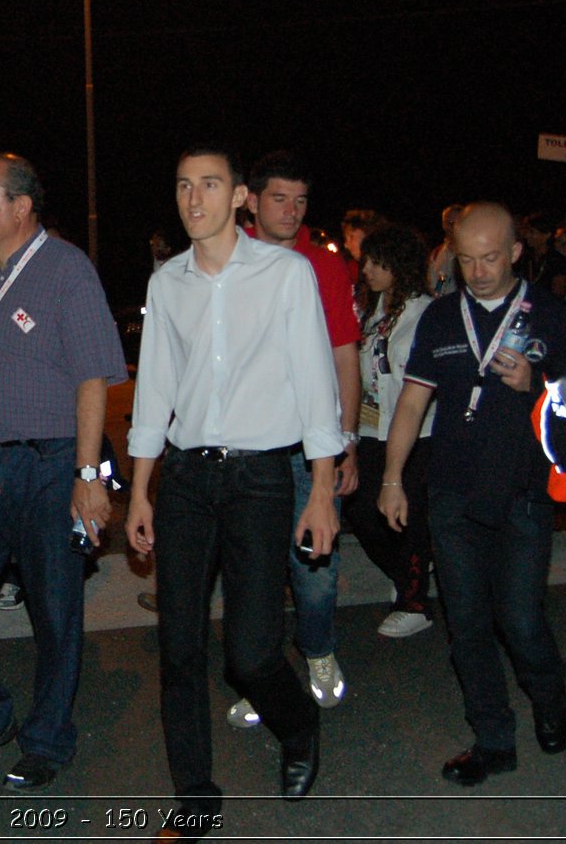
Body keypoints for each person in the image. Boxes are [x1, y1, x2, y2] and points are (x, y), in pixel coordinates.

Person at [127, 145, 342, 833]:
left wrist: (321, 492)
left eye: (210, 185)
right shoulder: (168, 284)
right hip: (186, 478)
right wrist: (138, 491)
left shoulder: (286, 274)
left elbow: (316, 386)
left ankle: (299, 725)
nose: (195, 198)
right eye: (184, 185)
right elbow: (154, 390)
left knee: (251, 653)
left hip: (261, 479)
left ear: (240, 197)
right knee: (180, 648)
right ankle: (195, 794)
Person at [0, 153, 128, 792]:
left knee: (54, 608)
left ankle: (47, 738)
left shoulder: (68, 270)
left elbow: (92, 378)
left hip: (48, 463)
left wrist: (88, 473)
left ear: (21, 207)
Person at [381, 202, 566, 785]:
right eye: (467, 259)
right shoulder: (442, 318)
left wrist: (538, 381)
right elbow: (411, 404)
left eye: (491, 257)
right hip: (450, 490)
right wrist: (393, 480)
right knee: (466, 623)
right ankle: (493, 738)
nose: (478, 271)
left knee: (520, 620)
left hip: (523, 490)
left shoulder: (550, 313)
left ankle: (550, 697)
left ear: (517, 251)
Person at [227, 150, 360, 728]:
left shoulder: (323, 266)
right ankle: (264, 680)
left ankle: (318, 648)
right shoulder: (225, 260)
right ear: (251, 201)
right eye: (279, 198)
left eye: (300, 200)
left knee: (314, 567)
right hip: (246, 447)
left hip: (310, 448)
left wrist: (346, 440)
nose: (291, 210)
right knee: (251, 574)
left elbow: (344, 358)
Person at [343, 223, 437, 638]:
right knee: (362, 512)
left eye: (378, 262)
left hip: (417, 432)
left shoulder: (426, 311)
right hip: (370, 430)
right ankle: (411, 575)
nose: (367, 269)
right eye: (366, 261)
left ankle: (414, 601)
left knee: (409, 515)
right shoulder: (371, 311)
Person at [427, 203, 464, 296]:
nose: (452, 226)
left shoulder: (471, 252)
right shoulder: (437, 253)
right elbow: (439, 281)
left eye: (456, 222)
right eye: (448, 222)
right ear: (443, 224)